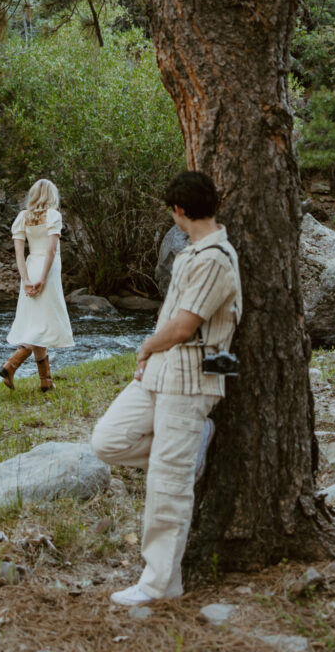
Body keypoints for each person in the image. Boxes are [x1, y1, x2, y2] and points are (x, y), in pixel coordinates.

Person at [91, 170, 242, 606]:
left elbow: (183, 327)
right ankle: (191, 449)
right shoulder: (193, 253)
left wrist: (144, 346)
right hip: (162, 370)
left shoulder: (216, 257)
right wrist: (150, 357)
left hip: (193, 377)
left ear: (179, 211)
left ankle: (160, 584)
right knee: (107, 440)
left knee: (168, 483)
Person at [0, 179, 74, 392]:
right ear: (52, 196)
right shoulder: (53, 215)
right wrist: (42, 278)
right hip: (47, 270)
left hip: (31, 267)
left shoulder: (22, 217)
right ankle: (10, 364)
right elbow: (51, 251)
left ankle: (46, 382)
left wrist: (26, 279)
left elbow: (19, 254)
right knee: (42, 324)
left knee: (37, 323)